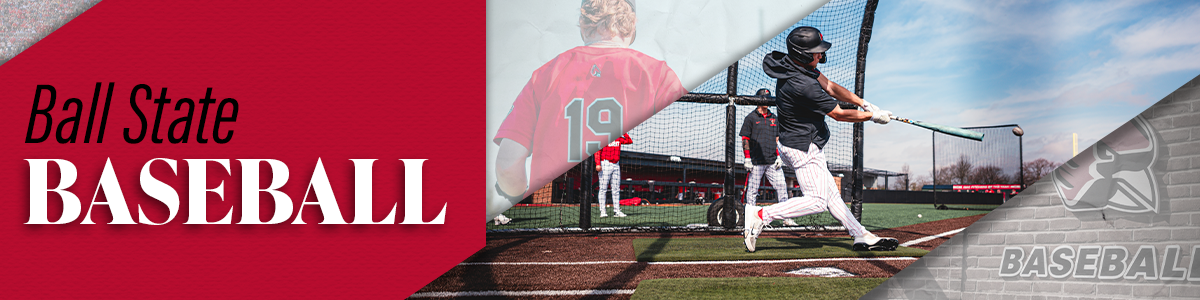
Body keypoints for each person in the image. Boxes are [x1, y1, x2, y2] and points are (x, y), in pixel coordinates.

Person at [489, 0, 688, 221]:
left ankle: (604, 211)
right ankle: (605, 211)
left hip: (543, 235)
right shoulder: (658, 73)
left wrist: (515, 193)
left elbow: (507, 165)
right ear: (631, 24)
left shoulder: (546, 73)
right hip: (605, 166)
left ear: (584, 22)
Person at [743, 26, 899, 252]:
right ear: (803, 54)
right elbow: (839, 114)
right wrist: (873, 116)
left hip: (799, 142)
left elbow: (831, 86)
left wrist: (862, 102)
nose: (820, 54)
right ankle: (760, 214)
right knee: (817, 201)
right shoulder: (802, 85)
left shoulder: (794, 64)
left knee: (832, 195)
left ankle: (860, 234)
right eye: (816, 51)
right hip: (802, 147)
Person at [739, 88, 800, 226]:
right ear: (758, 100)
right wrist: (747, 158)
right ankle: (749, 220)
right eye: (764, 98)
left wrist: (780, 157)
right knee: (752, 192)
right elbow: (745, 139)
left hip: (773, 161)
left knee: (782, 188)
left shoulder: (774, 118)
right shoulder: (750, 118)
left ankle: (786, 218)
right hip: (755, 162)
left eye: (768, 98)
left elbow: (778, 139)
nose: (767, 101)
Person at [595, 133, 632, 217]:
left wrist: (624, 133)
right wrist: (597, 163)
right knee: (603, 189)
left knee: (616, 189)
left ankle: (617, 211)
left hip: (616, 164)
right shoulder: (603, 137)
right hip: (605, 163)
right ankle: (603, 211)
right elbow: (597, 150)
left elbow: (629, 141)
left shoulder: (618, 138)